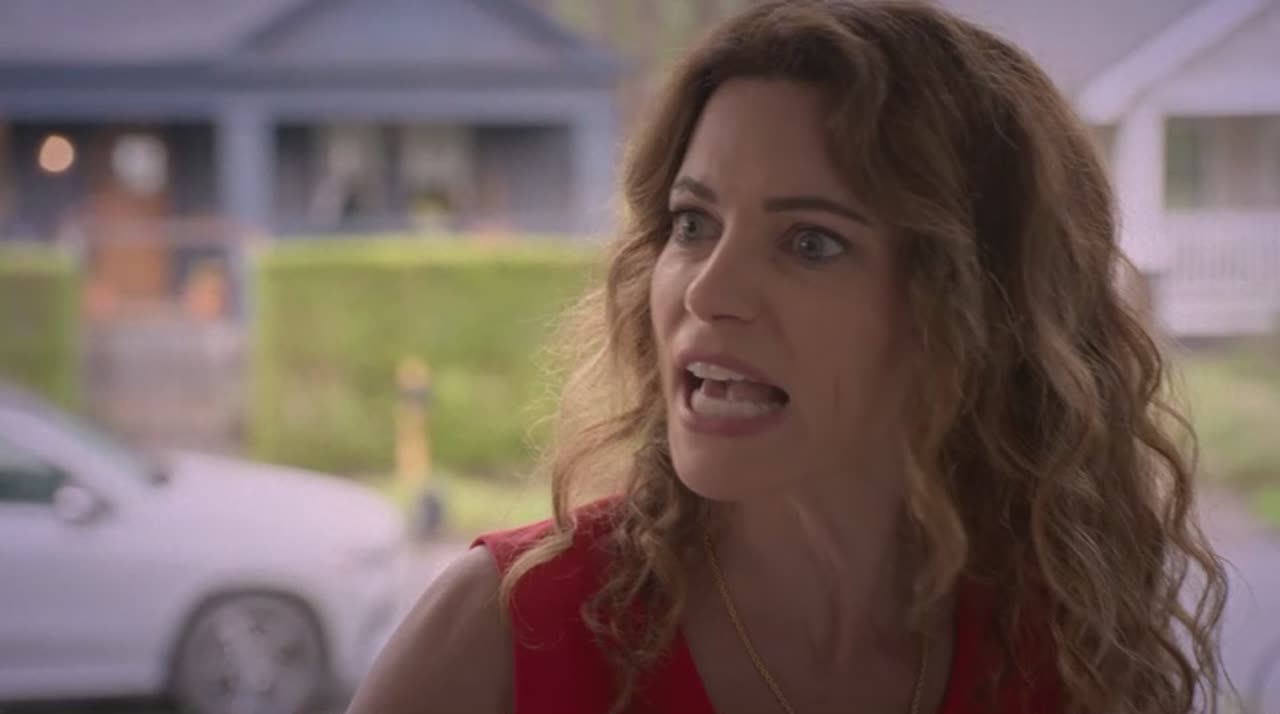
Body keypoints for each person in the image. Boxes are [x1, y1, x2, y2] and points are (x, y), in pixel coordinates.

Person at [347, 1, 1228, 712]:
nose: (706, 291)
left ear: (975, 308)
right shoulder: (505, 634)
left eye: (810, 242)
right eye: (693, 224)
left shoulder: (1065, 645)